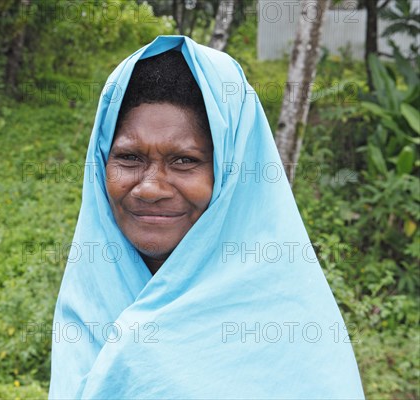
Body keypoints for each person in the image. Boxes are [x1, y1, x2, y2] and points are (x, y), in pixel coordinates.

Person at [49, 35, 365, 399]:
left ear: (232, 173)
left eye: (184, 160)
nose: (150, 188)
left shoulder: (289, 328)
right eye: (130, 158)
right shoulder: (89, 295)